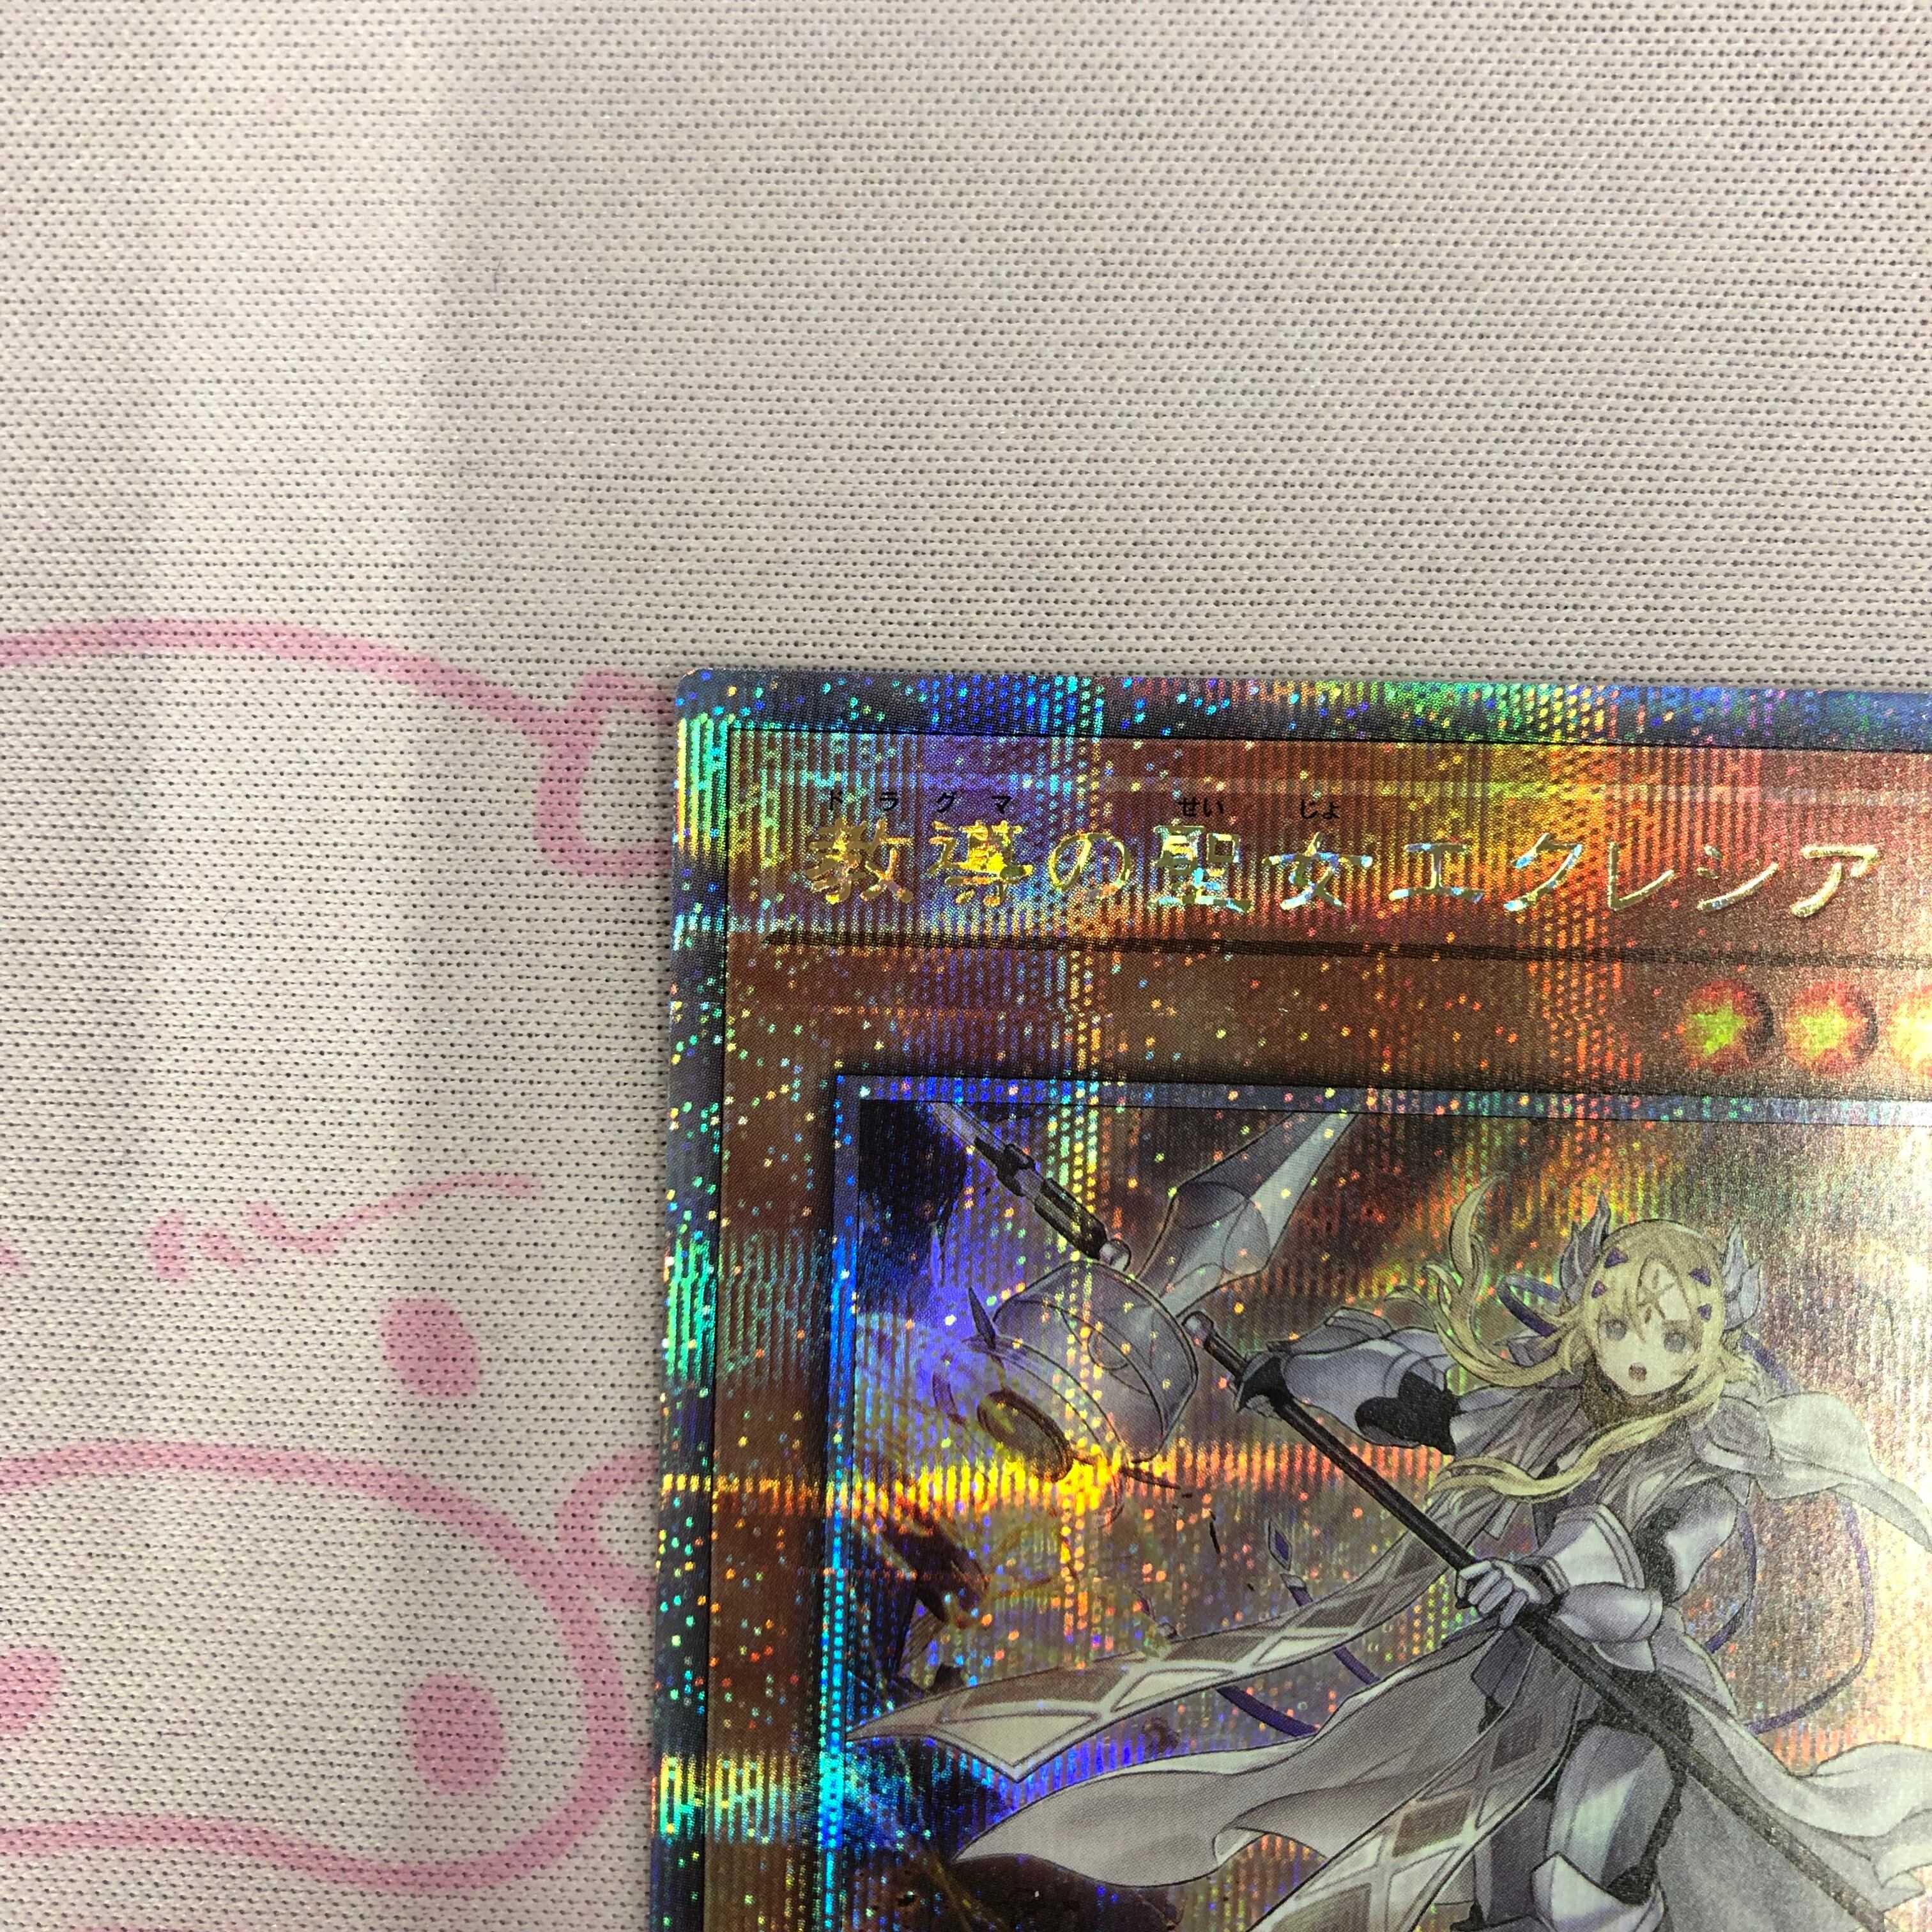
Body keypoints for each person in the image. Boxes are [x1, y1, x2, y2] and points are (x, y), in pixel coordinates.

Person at [854, 1182, 1932, 1931]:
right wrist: (1291, 1374)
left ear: (1710, 1343)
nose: (1636, 1352)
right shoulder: (1548, 1411)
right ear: (1588, 1310)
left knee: (1577, 1893)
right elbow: (1427, 1410)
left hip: (1632, 1697)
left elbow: (1653, 1574)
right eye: (1620, 1322)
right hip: (1513, 1692)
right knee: (1494, 1891)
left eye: (1669, 1336)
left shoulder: (1709, 1461)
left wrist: (1550, 1581)